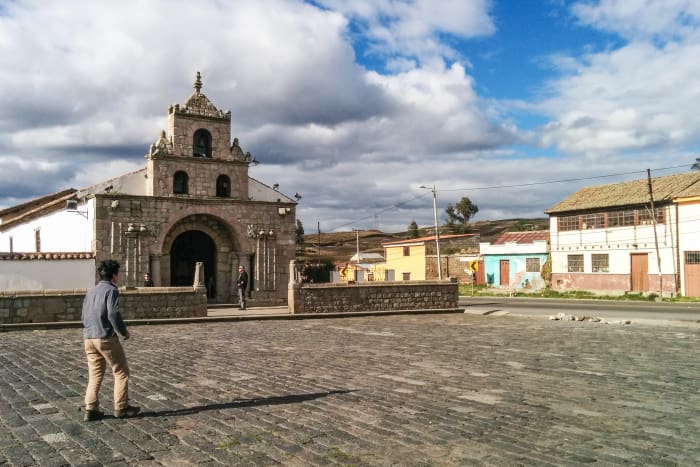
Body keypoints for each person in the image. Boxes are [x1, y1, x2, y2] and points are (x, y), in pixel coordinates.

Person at [81, 260, 140, 422]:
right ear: (114, 275)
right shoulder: (111, 290)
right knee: (121, 371)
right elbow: (113, 314)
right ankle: (121, 407)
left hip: (89, 337)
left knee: (95, 374)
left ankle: (91, 408)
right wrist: (123, 332)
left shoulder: (91, 291)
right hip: (105, 337)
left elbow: (83, 316)